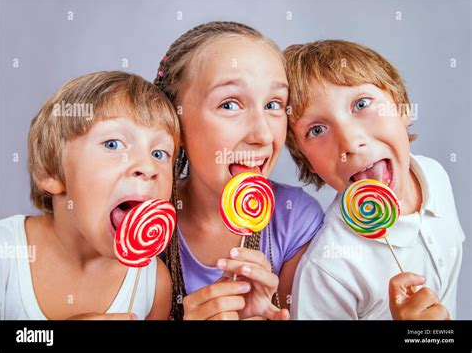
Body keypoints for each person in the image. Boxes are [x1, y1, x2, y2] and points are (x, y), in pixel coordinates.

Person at [155, 21, 324, 320]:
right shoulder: (137, 218)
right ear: (174, 122)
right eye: (230, 105)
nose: (263, 134)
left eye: (273, 104)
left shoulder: (294, 220)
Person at [285, 40, 464, 320]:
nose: (351, 141)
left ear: (403, 107)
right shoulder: (329, 269)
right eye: (317, 129)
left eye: (361, 104)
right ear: (309, 164)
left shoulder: (434, 176)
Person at [0, 71, 179, 320]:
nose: (148, 168)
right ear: (51, 171)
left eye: (160, 153)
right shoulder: (4, 252)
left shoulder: (152, 283)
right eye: (113, 144)